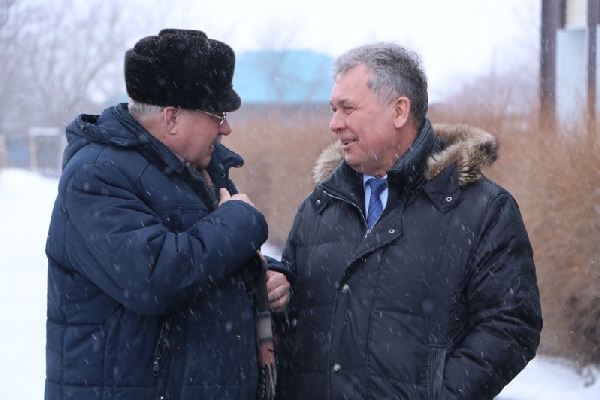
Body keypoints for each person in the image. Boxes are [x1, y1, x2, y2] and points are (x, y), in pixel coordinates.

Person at [275, 42, 543, 399]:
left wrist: (441, 394)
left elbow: (511, 324)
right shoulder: (319, 207)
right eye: (333, 109)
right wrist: (277, 298)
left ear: (399, 111)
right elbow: (295, 326)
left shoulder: (483, 209)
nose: (334, 124)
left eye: (347, 108)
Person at [45, 29, 290, 400]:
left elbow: (214, 254)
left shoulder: (202, 168)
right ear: (172, 117)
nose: (226, 128)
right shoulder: (95, 176)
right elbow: (155, 278)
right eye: (218, 115)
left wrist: (270, 277)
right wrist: (240, 221)